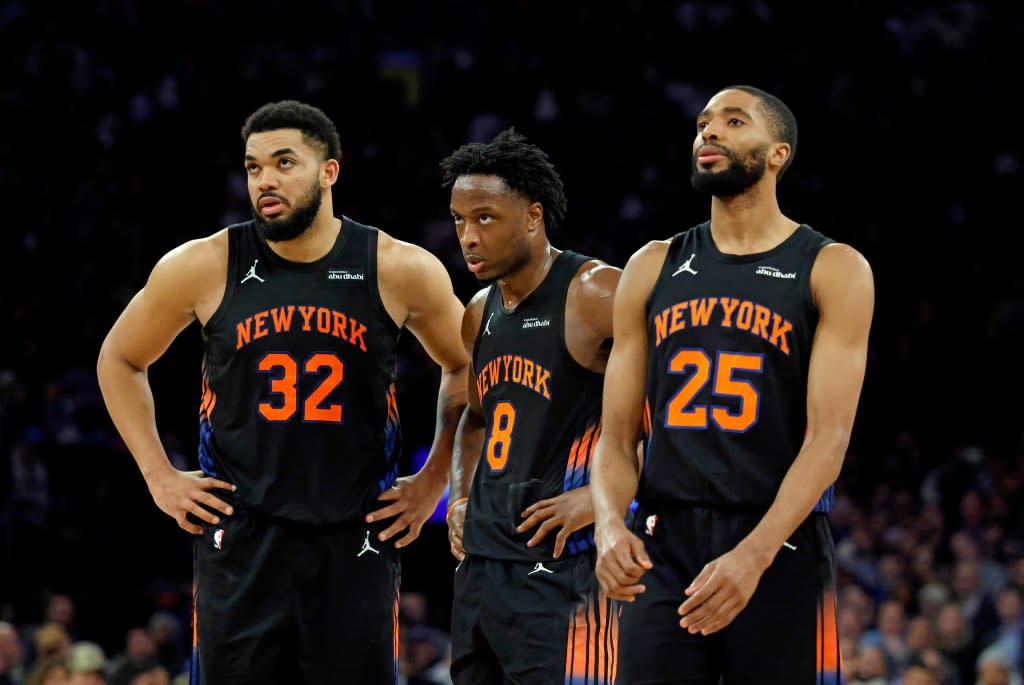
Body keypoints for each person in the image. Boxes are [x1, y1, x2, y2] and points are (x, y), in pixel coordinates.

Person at [96, 100, 469, 684]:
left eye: (284, 162)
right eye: (252, 167)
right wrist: (158, 475)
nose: (264, 180)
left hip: (356, 539)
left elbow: (468, 367)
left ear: (329, 171)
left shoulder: (397, 267)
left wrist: (434, 481)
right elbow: (118, 358)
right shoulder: (205, 263)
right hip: (240, 538)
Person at [590, 84, 874, 684]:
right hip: (663, 543)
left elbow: (829, 441)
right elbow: (615, 438)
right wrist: (610, 525)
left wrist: (756, 553)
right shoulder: (652, 265)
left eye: (733, 122)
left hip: (778, 540)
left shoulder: (832, 267)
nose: (708, 133)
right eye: (702, 124)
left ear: (778, 153)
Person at [441, 128, 622, 684]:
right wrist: (461, 494)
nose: (468, 236)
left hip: (567, 568)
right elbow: (474, 419)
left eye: (485, 218)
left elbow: (677, 416)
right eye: (459, 220)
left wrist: (601, 497)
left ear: (533, 216)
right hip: (483, 571)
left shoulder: (596, 294)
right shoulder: (479, 309)